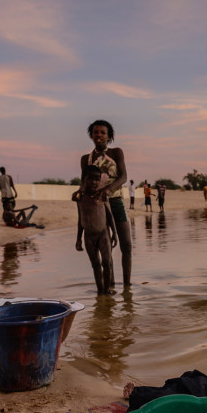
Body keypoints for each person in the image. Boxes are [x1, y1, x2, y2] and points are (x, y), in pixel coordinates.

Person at [81, 119, 132, 287]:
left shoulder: (117, 152)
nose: (99, 135)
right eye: (96, 132)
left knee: (126, 245)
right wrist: (79, 193)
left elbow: (123, 177)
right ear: (91, 135)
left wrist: (108, 189)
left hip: (115, 201)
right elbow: (84, 183)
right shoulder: (86, 159)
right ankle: (109, 287)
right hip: (96, 206)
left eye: (103, 132)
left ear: (109, 136)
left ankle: (127, 288)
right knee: (106, 249)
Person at [73, 165, 118, 294]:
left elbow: (109, 216)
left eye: (97, 179)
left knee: (106, 263)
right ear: (84, 180)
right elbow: (80, 219)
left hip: (103, 234)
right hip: (88, 236)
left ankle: (107, 290)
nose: (94, 182)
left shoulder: (102, 196)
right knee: (95, 265)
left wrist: (114, 233)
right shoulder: (80, 198)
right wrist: (78, 239)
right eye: (90, 179)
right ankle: (100, 291)